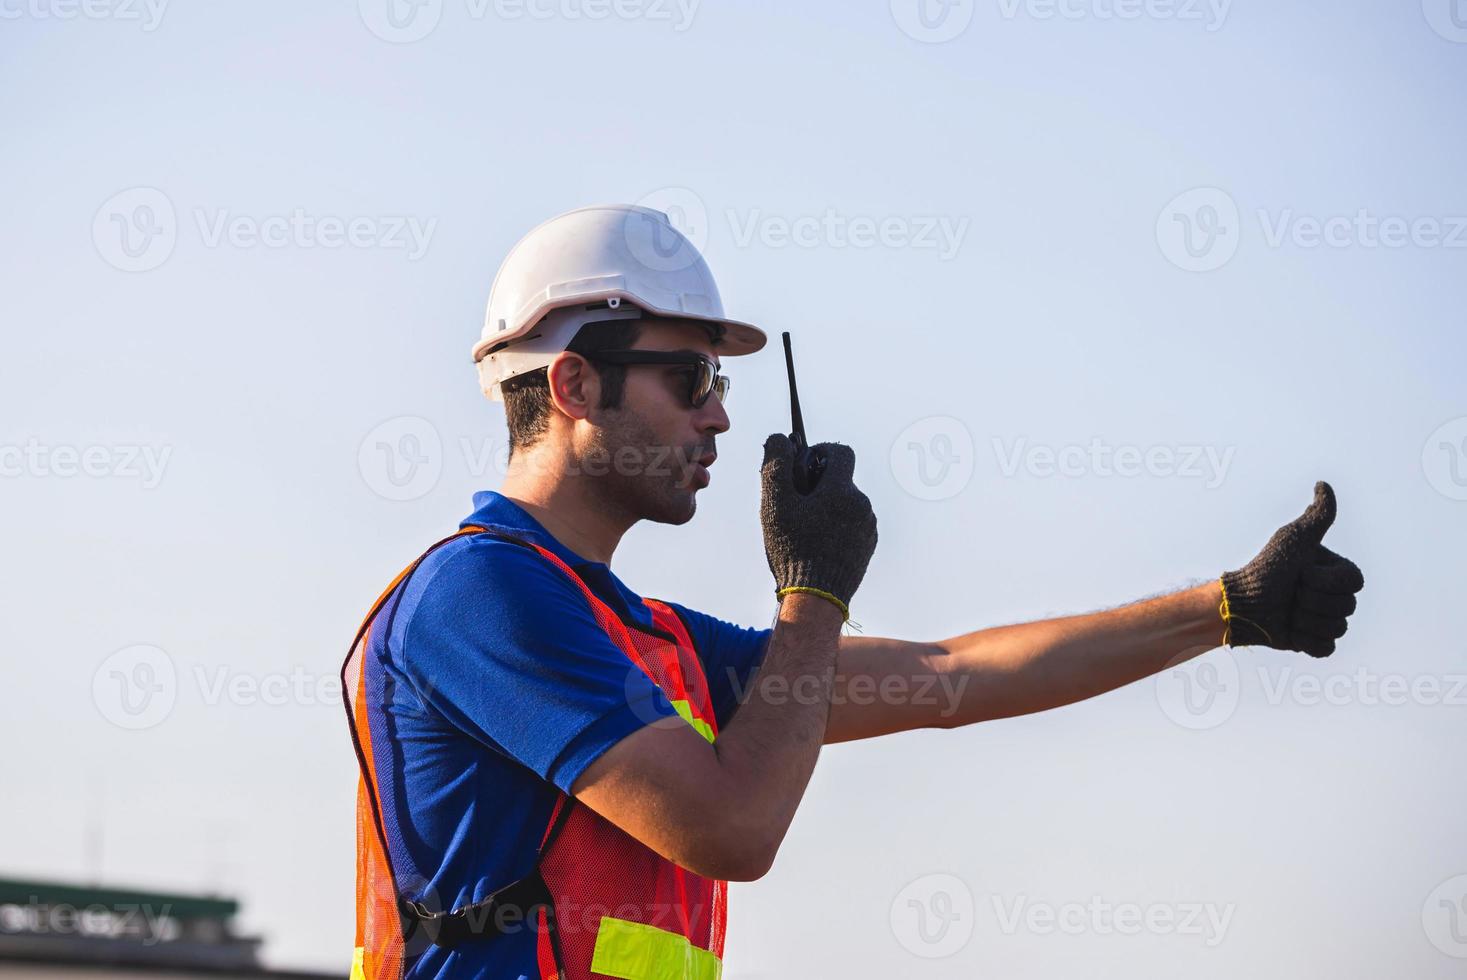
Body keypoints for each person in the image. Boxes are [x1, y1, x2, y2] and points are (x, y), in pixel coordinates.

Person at [342, 205, 1365, 980]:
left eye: (723, 386)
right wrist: (814, 592)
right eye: (691, 378)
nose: (718, 419)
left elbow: (954, 675)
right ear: (572, 386)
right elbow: (732, 829)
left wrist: (1229, 606)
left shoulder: (642, 640)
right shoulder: (478, 595)